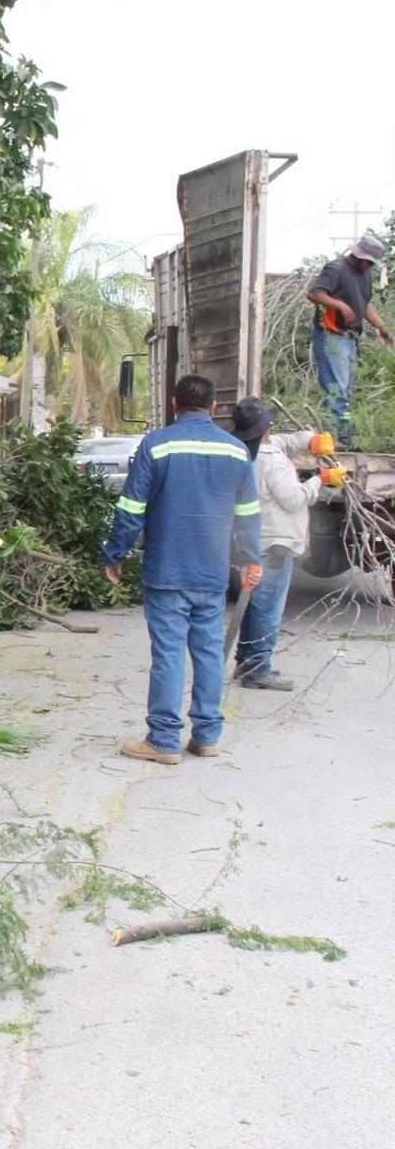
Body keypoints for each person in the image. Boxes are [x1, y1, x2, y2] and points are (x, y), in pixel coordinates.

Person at [103, 374, 262, 765]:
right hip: (212, 571)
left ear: (174, 405)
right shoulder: (237, 452)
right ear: (213, 409)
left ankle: (163, 740)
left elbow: (132, 507)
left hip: (167, 569)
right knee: (209, 652)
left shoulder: (157, 444)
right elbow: (248, 515)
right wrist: (251, 560)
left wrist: (116, 554)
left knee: (170, 654)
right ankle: (207, 737)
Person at [229, 399, 346, 692]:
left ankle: (248, 662)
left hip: (255, 541)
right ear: (267, 427)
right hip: (277, 545)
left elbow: (286, 441)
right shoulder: (271, 461)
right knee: (268, 609)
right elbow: (294, 499)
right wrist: (320, 480)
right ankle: (258, 671)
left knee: (255, 606)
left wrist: (312, 440)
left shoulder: (245, 449)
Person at [306, 234, 393, 446]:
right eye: (369, 262)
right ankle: (334, 439)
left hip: (350, 338)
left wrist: (381, 326)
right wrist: (341, 307)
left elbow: (366, 305)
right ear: (360, 256)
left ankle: (343, 437)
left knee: (345, 390)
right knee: (337, 388)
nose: (370, 266)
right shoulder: (336, 269)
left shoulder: (364, 277)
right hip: (332, 335)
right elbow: (314, 294)